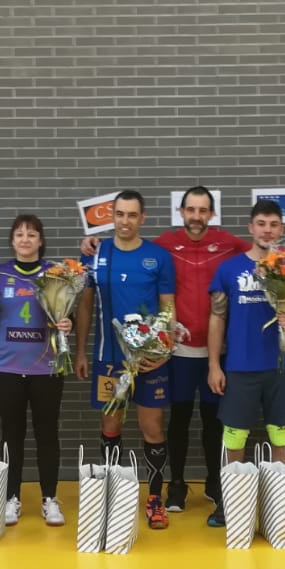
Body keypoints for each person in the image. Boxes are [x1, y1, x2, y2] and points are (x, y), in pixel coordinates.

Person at [75, 190, 177, 529]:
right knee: (110, 426)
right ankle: (112, 495)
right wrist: (80, 350)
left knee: (152, 428)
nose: (125, 221)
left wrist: (164, 353)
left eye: (132, 215)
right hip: (109, 359)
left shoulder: (158, 257)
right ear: (112, 216)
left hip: (148, 362)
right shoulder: (95, 254)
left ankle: (155, 499)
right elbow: (85, 306)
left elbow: (168, 309)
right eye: (119, 214)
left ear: (142, 218)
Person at [208, 200, 285, 525]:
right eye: (261, 224)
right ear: (251, 228)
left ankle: (280, 507)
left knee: (281, 436)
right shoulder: (229, 269)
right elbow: (217, 318)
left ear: (281, 229)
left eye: (274, 224)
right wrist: (214, 365)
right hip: (240, 367)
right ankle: (232, 505)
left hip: (281, 368)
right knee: (234, 437)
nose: (267, 230)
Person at [152, 186, 247, 515]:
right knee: (178, 420)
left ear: (212, 213)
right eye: (190, 210)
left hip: (216, 354)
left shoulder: (230, 244)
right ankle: (177, 484)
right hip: (178, 353)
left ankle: (215, 482)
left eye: (202, 210)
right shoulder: (163, 244)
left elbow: (263, 253)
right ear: (181, 212)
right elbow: (131, 250)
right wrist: (93, 246)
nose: (196, 216)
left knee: (214, 422)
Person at [0, 214, 71, 528]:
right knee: (11, 435)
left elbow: (67, 315)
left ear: (41, 240)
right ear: (12, 241)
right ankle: (11, 497)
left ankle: (49, 498)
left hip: (46, 367)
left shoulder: (56, 274)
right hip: (7, 367)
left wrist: (68, 323)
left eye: (32, 234)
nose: (25, 239)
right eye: (20, 234)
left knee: (47, 433)